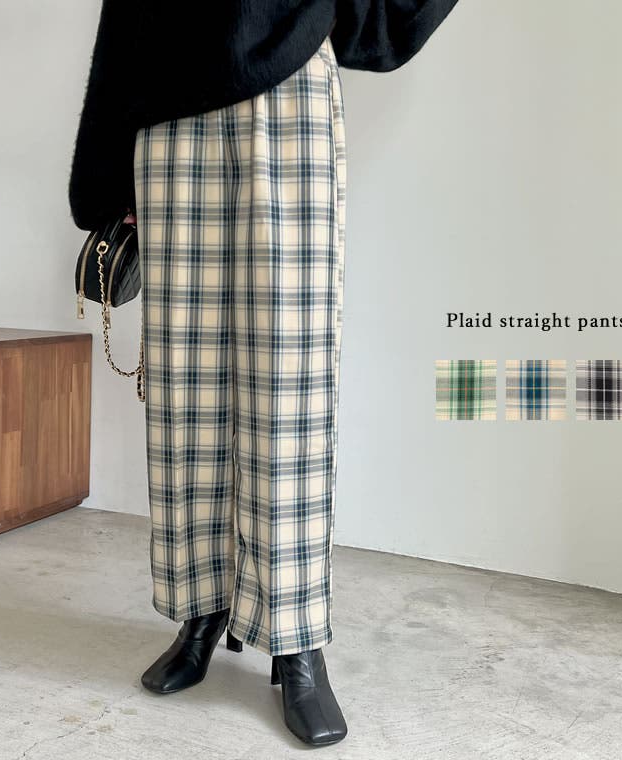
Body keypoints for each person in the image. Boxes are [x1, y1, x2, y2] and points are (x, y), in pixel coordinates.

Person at [68, 0, 458, 747]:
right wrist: (106, 177)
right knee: (184, 385)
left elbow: (378, 28)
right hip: (168, 113)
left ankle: (295, 640)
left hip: (290, 95)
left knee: (291, 380)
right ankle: (202, 609)